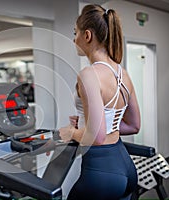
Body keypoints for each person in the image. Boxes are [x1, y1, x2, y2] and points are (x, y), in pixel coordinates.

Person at [59, 4, 141, 200]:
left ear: (87, 36)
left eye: (75, 33)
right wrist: (90, 126)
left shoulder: (89, 74)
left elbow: (96, 137)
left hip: (101, 171)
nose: (74, 39)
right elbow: (133, 125)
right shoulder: (123, 73)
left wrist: (71, 132)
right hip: (125, 166)